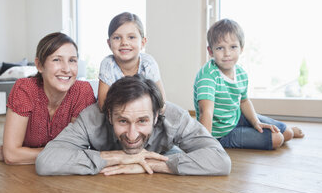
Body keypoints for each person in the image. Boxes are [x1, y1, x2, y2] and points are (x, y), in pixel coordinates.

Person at [35, 75, 231, 176]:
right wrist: (117, 157)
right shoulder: (92, 117)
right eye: (122, 121)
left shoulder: (174, 116)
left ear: (156, 116)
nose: (131, 134)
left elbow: (220, 161)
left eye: (142, 121)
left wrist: (152, 164)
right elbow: (47, 161)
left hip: (165, 153)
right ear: (110, 116)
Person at [193, 19, 304, 150]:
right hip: (221, 133)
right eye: (220, 48)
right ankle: (236, 135)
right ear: (210, 51)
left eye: (233, 47)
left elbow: (244, 102)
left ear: (241, 48)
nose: (227, 53)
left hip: (236, 117)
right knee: (277, 139)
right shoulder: (208, 76)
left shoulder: (241, 73)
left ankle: (282, 129)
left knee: (287, 133)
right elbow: (206, 111)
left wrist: (256, 122)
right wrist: (205, 146)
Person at [0, 32, 96, 164]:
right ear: (39, 65)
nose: (67, 69)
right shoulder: (25, 88)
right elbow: (12, 156)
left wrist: (23, 153)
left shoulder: (82, 91)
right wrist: (13, 152)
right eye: (57, 60)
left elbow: (77, 148)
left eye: (72, 60)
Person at [97, 12, 166, 112]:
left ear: (142, 43)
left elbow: (161, 103)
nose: (124, 42)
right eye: (117, 38)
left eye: (131, 37)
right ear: (109, 44)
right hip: (116, 113)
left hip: (144, 111)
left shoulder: (148, 63)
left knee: (172, 111)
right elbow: (103, 105)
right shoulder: (108, 64)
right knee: (92, 114)